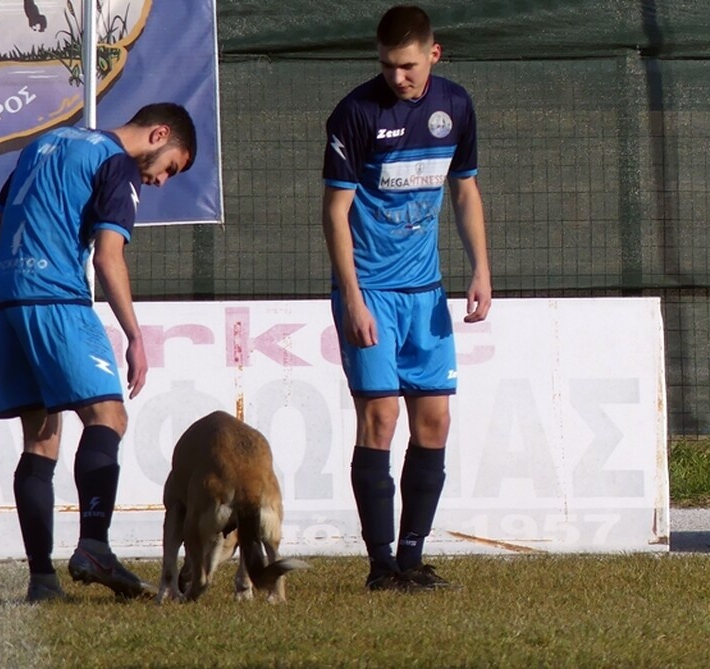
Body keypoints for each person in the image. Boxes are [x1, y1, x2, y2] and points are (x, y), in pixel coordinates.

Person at [0, 103, 197, 602]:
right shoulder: (116, 163)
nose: (163, 181)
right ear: (158, 134)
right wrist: (136, 336)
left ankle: (42, 581)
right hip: (57, 296)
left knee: (40, 437)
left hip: (6, 296)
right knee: (109, 415)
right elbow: (107, 254)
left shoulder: (42, 146)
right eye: (171, 167)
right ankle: (95, 546)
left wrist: (7, 289)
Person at [321, 5, 491, 592]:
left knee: (435, 421)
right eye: (390, 66)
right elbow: (336, 211)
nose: (400, 77)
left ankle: (413, 557)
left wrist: (480, 270)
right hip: (370, 291)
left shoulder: (457, 106)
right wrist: (353, 298)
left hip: (427, 294)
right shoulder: (356, 112)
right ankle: (380, 566)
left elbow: (465, 191)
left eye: (410, 65)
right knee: (380, 416)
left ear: (434, 54)